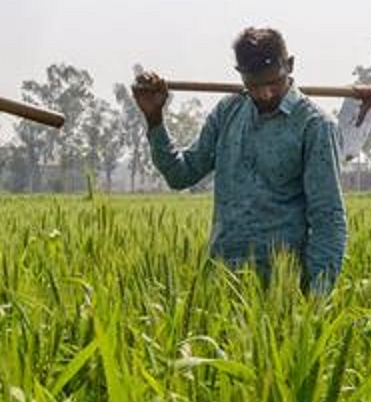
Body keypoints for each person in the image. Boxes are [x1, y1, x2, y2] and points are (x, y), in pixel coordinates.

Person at [131, 27, 347, 293]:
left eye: (273, 82)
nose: (266, 94)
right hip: (222, 280)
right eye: (255, 86)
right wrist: (154, 119)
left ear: (289, 65)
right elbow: (180, 175)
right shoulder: (227, 113)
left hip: (281, 287)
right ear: (241, 76)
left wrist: (317, 298)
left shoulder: (314, 126)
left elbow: (329, 218)